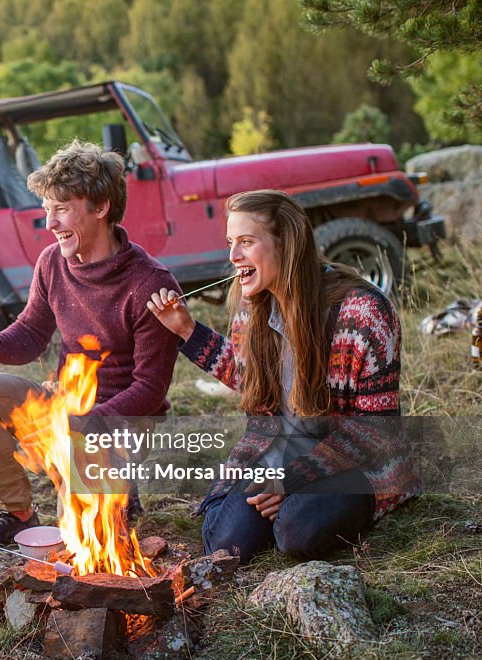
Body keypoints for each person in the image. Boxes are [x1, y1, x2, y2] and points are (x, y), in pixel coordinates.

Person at [146, 189, 420, 564]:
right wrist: (187, 331)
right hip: (279, 452)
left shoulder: (364, 312)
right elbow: (252, 382)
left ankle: (300, 510)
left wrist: (291, 482)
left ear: (287, 244)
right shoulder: (252, 309)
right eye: (230, 243)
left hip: (356, 463)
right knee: (224, 544)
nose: (232, 256)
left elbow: (373, 431)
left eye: (246, 242)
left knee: (296, 531)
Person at [0, 140, 180, 559]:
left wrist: (85, 423)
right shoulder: (52, 262)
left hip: (122, 420)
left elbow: (151, 388)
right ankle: (17, 512)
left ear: (100, 207)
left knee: (73, 541)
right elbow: (30, 334)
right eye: (46, 209)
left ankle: (118, 493)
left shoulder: (150, 283)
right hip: (65, 407)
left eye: (61, 208)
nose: (50, 223)